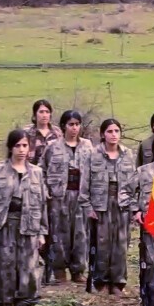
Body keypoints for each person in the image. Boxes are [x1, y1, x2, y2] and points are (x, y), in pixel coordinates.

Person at [0, 130, 49, 306]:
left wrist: (42, 232)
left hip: (29, 226)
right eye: (17, 145)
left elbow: (42, 204)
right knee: (4, 268)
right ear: (11, 148)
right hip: (4, 226)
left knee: (28, 269)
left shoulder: (36, 173)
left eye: (25, 145)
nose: (21, 150)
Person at [82, 119, 136, 294]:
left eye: (116, 131)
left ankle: (118, 282)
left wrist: (134, 206)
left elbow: (134, 183)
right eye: (110, 131)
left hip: (122, 204)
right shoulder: (93, 154)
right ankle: (101, 281)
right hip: (101, 204)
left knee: (121, 244)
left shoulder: (128, 154)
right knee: (102, 244)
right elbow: (85, 182)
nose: (114, 135)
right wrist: (88, 206)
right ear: (103, 134)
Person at [41, 110, 94, 283]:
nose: (74, 128)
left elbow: (95, 170)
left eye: (77, 124)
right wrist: (45, 191)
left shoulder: (87, 146)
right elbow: (41, 170)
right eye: (71, 124)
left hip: (81, 195)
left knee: (81, 233)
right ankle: (59, 270)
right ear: (64, 126)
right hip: (59, 197)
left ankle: (78, 270)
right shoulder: (53, 147)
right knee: (59, 233)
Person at [133, 137, 154, 306]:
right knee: (151, 264)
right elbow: (126, 191)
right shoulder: (143, 172)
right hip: (149, 226)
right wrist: (136, 211)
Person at [26, 99, 62, 165]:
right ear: (35, 114)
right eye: (41, 112)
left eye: (47, 112)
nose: (44, 115)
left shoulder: (57, 132)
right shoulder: (27, 132)